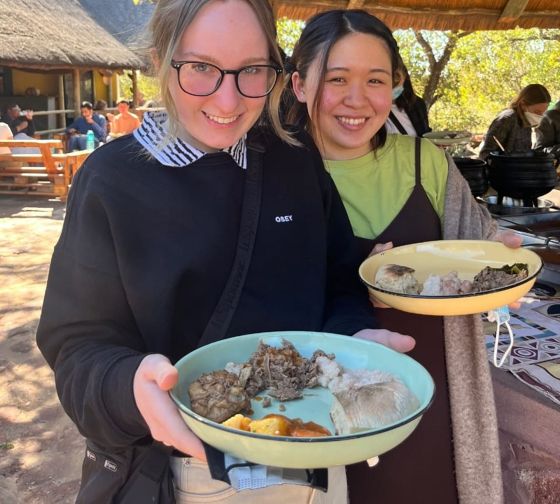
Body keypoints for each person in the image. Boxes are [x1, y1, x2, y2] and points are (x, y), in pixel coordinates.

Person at [35, 1, 412, 503]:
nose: (229, 98)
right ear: (159, 62)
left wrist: (351, 342)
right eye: (200, 68)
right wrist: (128, 385)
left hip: (313, 451)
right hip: (189, 471)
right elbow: (76, 347)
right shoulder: (111, 181)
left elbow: (338, 278)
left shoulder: (294, 164)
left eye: (252, 71)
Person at [285, 9, 522, 504]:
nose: (357, 99)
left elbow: (478, 248)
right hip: (324, 402)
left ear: (394, 87)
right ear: (299, 85)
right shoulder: (272, 178)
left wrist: (502, 268)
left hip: (436, 385)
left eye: (375, 80)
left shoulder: (424, 162)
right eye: (336, 79)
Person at [479, 83, 551, 160]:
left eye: (543, 112)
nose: (540, 116)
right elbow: (485, 155)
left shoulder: (526, 121)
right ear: (523, 104)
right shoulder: (506, 119)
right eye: (537, 112)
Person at [385, 57, 431, 137]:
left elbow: (426, 135)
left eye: (396, 80)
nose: (392, 86)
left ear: (404, 77)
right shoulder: (369, 109)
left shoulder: (417, 104)